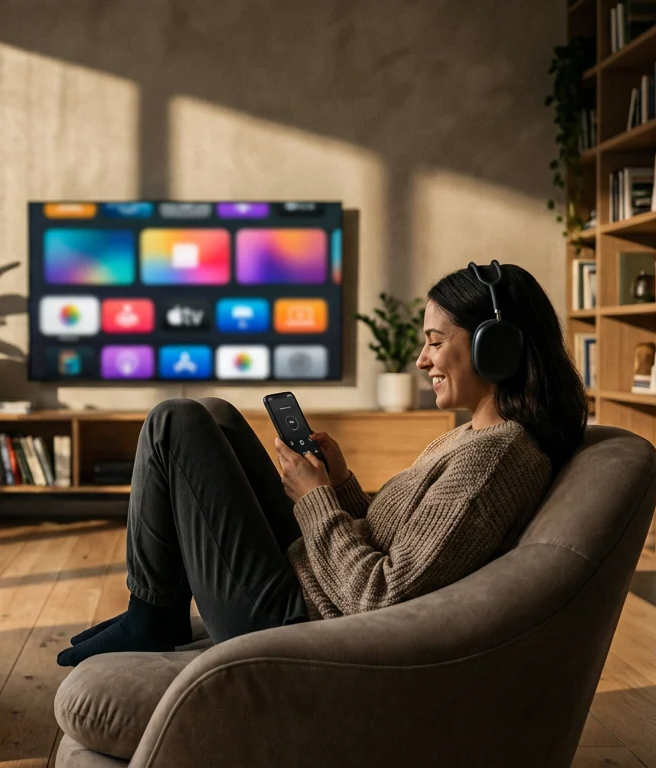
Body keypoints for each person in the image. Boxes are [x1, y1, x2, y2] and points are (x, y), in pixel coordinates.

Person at [57, 262, 589, 667]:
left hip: (293, 618)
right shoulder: (478, 436)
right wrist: (340, 486)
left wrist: (314, 500)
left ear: (495, 350)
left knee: (175, 421)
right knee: (214, 416)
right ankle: (155, 612)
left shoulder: (494, 461)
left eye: (434, 342)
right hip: (311, 583)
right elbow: (403, 537)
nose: (422, 360)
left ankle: (150, 616)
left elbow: (384, 596)